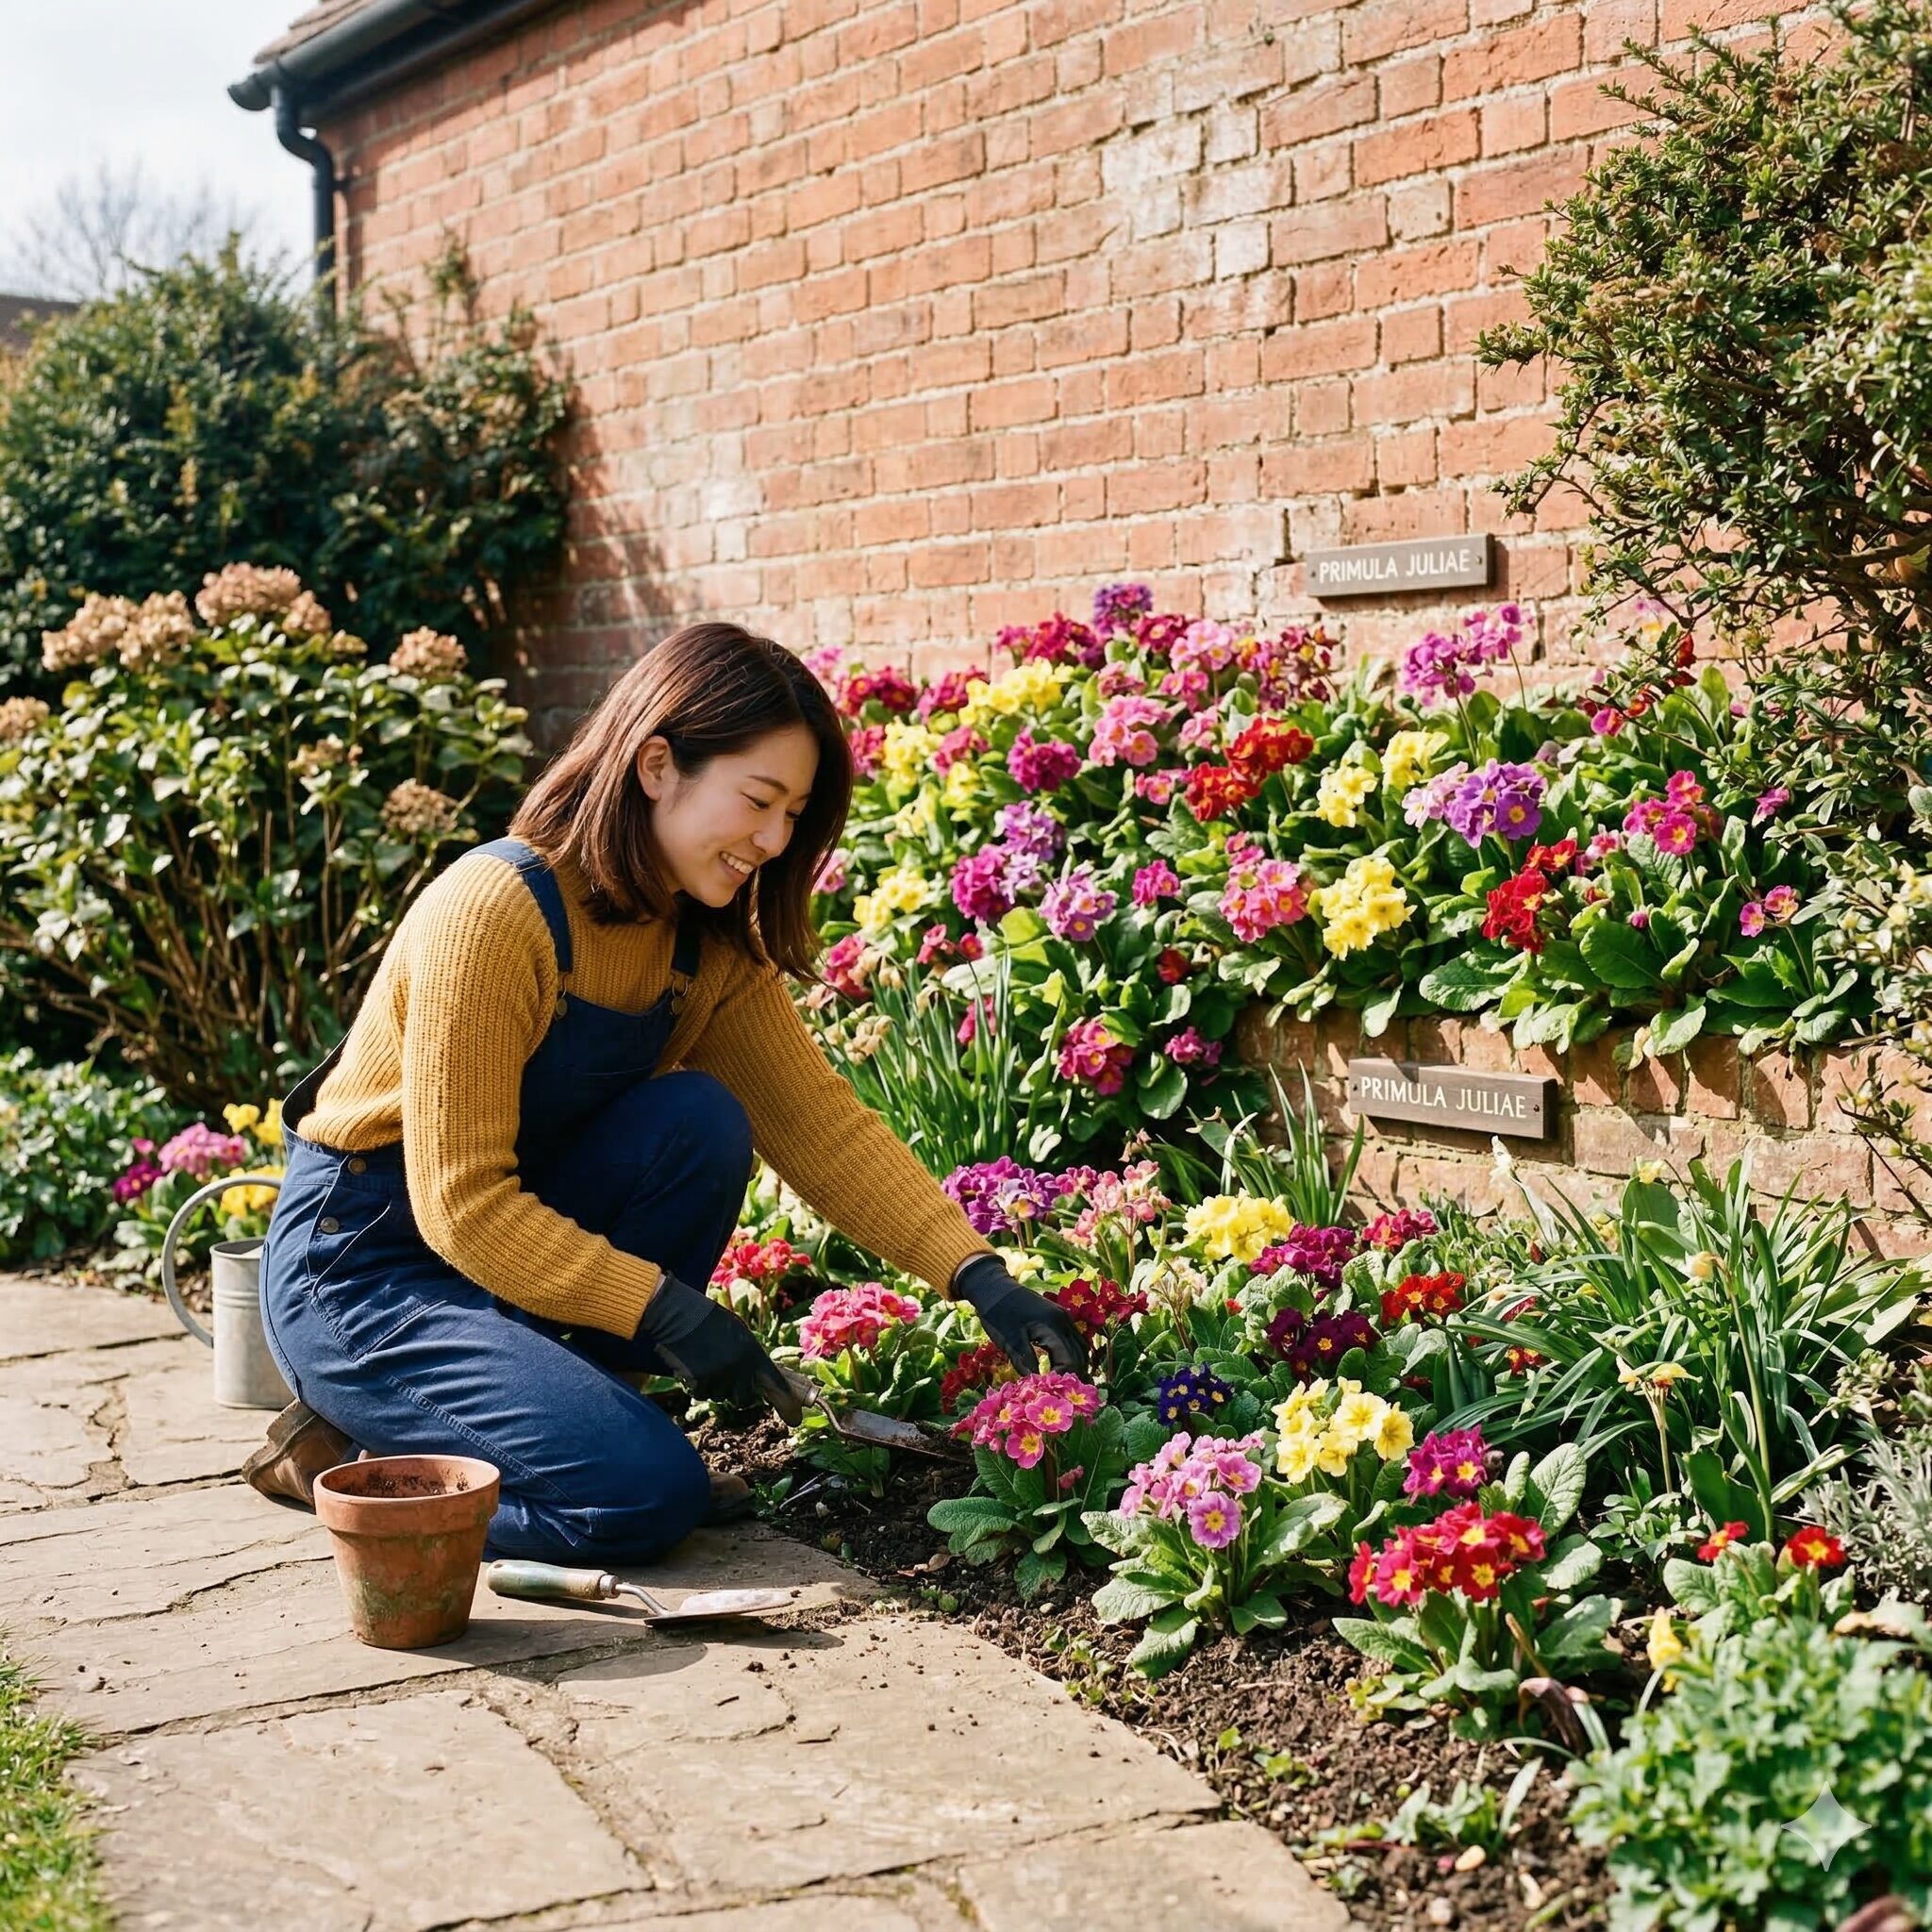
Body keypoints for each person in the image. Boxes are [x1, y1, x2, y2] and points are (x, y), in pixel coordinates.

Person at [244, 621, 1088, 1562]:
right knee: (640, 1499)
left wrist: (979, 1277)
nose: (773, 839)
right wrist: (662, 1309)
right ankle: (360, 1468)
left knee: (696, 1121)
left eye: (793, 814)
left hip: (496, 1257)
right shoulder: (493, 913)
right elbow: (464, 1204)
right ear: (655, 765)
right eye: (758, 800)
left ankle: (562, 1419)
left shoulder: (705, 944)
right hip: (363, 1268)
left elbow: (821, 1128)